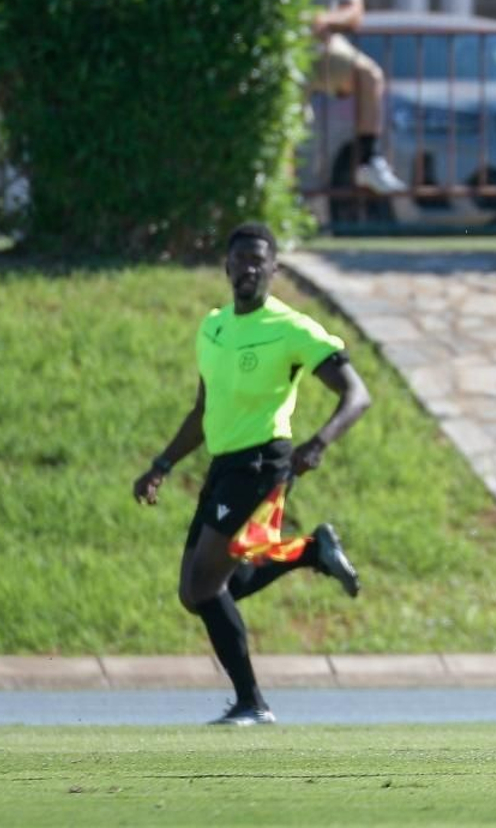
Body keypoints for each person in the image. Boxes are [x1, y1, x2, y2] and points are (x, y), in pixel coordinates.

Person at [132, 222, 371, 726]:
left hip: (263, 462)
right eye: (240, 258)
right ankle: (309, 551)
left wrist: (319, 443)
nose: (249, 267)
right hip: (223, 465)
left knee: (204, 585)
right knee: (196, 591)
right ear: (227, 265)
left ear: (274, 269)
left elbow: (357, 394)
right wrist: (162, 464)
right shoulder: (213, 327)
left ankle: (252, 702)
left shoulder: (290, 328)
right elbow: (202, 409)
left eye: (259, 259)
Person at [295, 0, 408, 195]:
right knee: (292, 127)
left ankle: (368, 162)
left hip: (322, 46)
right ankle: (285, 190)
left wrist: (323, 20)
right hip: (284, 49)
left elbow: (354, 12)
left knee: (369, 75)